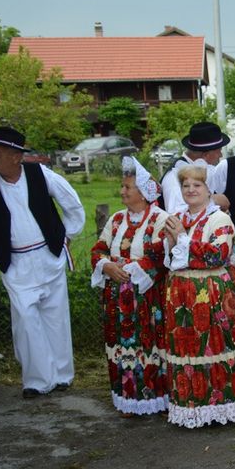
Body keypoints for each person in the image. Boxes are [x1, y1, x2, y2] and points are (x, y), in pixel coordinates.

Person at [0, 126, 85, 398]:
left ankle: (61, 375)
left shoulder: (39, 174)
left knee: (55, 317)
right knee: (25, 320)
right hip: (16, 264)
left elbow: (72, 202)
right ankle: (37, 380)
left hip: (48, 257)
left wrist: (68, 235)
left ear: (15, 156)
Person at [162, 163, 235, 428]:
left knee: (213, 345)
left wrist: (182, 239)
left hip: (211, 293)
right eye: (186, 185)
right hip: (181, 293)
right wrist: (172, 242)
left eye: (196, 185)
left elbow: (218, 255)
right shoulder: (178, 217)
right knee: (187, 346)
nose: (191, 190)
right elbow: (169, 257)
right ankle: (191, 406)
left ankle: (219, 406)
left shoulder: (219, 219)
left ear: (209, 189)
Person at [90, 157, 171, 416]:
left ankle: (154, 397)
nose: (122, 191)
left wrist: (128, 269)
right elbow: (99, 249)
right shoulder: (116, 220)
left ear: (144, 193)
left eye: (127, 187)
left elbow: (161, 256)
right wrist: (106, 266)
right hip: (117, 298)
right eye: (122, 186)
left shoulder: (160, 219)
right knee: (121, 347)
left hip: (147, 297)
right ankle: (128, 398)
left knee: (149, 346)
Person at [160, 121, 230, 215]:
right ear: (206, 155)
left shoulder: (206, 171)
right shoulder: (173, 177)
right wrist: (212, 200)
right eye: (219, 151)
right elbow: (176, 215)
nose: (220, 155)